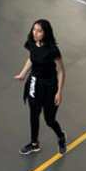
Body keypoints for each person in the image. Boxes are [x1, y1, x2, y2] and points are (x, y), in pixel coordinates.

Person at [14, 19, 67, 155]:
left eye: (39, 31)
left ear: (46, 33)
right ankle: (34, 144)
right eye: (34, 29)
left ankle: (61, 136)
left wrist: (59, 92)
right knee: (34, 114)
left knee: (49, 120)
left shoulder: (52, 50)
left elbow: (61, 71)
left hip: (50, 86)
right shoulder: (31, 43)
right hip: (34, 83)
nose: (35, 33)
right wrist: (23, 73)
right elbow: (32, 57)